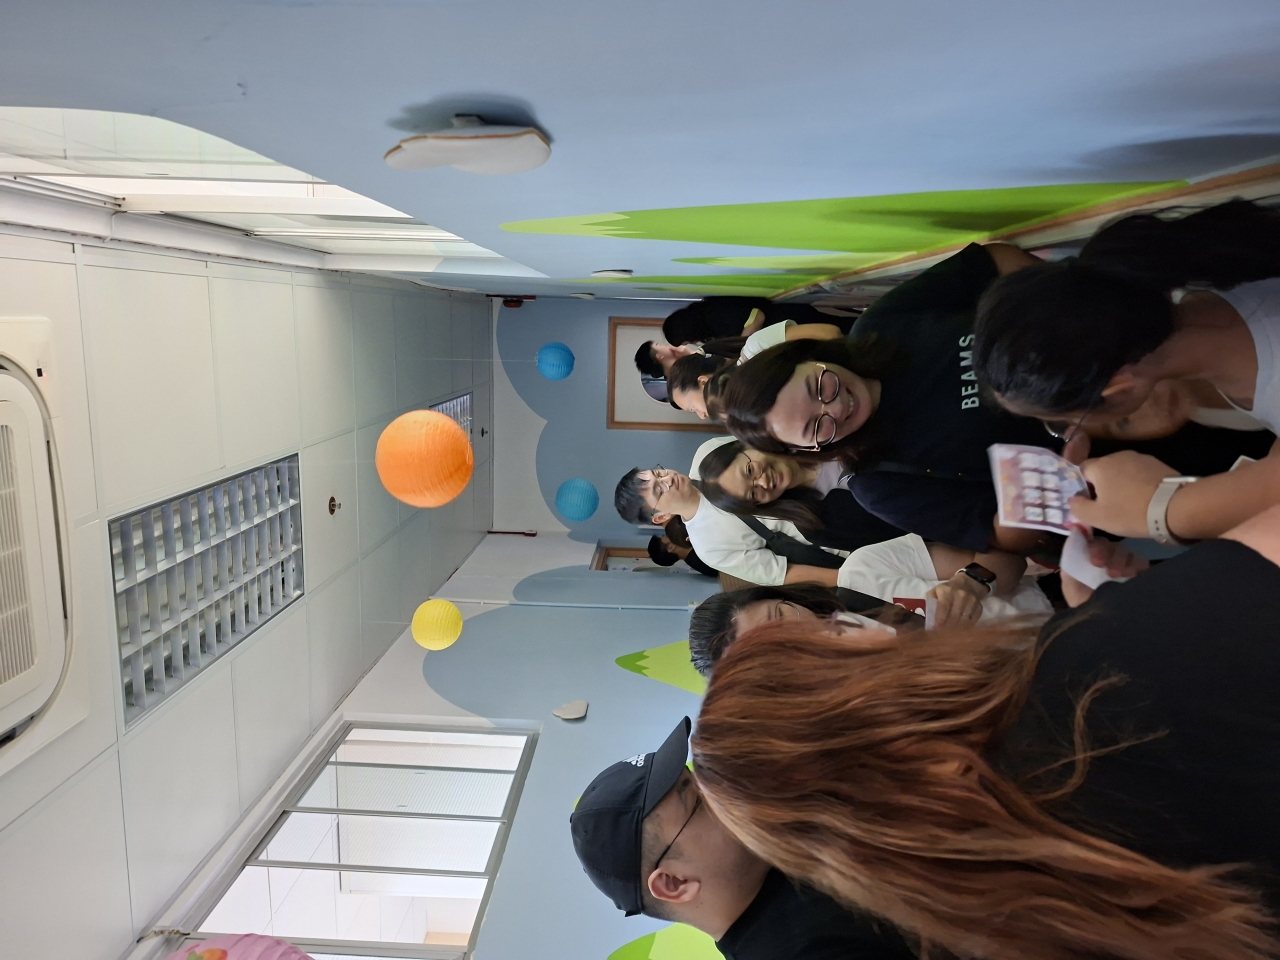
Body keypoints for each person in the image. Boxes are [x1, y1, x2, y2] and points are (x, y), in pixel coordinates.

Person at [691, 504, 1280, 960]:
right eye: (823, 646)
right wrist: (1162, 507)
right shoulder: (1088, 679)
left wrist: (998, 590)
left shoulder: (981, 919)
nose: (836, 627)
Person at [972, 199, 1280, 544]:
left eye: (1070, 419)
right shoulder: (1219, 273)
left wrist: (1158, 514)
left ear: (1121, 387)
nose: (1075, 431)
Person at [722, 241, 1059, 557]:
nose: (836, 407)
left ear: (807, 357)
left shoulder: (880, 325)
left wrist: (1066, 296)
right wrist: (1033, 479)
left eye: (820, 387)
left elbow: (991, 261)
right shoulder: (881, 485)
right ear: (807, 450)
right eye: (816, 427)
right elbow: (1002, 537)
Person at [570, 718, 915, 960]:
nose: (720, 788)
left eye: (699, 777)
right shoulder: (803, 950)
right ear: (675, 883)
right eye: (698, 801)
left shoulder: (789, 849)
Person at [614, 465, 844, 586]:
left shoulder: (707, 459)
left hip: (833, 479)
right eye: (659, 489)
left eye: (659, 473)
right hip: (837, 538)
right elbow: (782, 573)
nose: (667, 479)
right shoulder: (708, 548)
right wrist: (847, 577)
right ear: (660, 516)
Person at [696, 438, 906, 551]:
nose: (763, 482)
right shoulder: (816, 526)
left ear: (747, 445)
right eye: (753, 493)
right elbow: (897, 542)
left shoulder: (816, 428)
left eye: (750, 470)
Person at [688, 584, 924, 675]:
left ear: (776, 595)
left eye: (780, 617)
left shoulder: (859, 584)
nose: (796, 633)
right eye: (773, 646)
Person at [648, 531, 718, 577]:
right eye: (667, 535)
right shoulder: (700, 556)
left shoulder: (693, 557)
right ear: (670, 547)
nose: (671, 533)